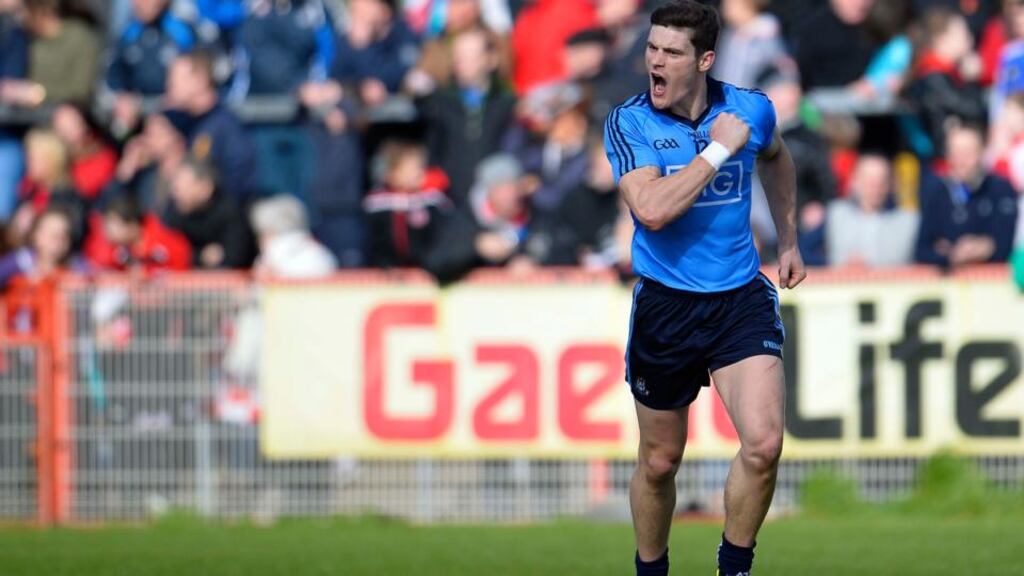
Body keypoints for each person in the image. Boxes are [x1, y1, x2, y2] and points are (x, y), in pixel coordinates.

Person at [602, 3, 806, 575]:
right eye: (651, 49)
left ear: (705, 60)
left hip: (739, 297)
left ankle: (734, 566)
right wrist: (716, 150)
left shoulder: (750, 110)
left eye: (670, 52)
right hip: (666, 305)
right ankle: (651, 568)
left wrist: (788, 238)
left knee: (764, 445)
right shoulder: (631, 121)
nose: (655, 62)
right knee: (661, 460)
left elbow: (776, 156)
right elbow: (651, 210)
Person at [915, 124, 1018, 269]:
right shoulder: (936, 191)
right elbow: (922, 250)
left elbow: (1006, 244)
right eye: (955, 153)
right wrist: (952, 255)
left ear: (982, 153)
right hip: (949, 284)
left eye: (968, 153)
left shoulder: (1000, 189)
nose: (961, 161)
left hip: (992, 284)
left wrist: (985, 248)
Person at [164, 51, 257, 202]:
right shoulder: (178, 122)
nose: (169, 84)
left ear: (200, 80)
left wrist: (206, 197)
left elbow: (240, 181)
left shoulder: (226, 127)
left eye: (175, 78)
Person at [825, 153, 919, 267]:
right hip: (843, 282)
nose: (875, 186)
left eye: (881, 180)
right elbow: (804, 252)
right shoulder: (836, 214)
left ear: (890, 184)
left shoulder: (908, 220)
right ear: (854, 182)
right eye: (868, 180)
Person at [83, 193, 192, 273]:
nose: (108, 230)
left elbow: (180, 267)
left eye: (114, 224)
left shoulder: (164, 242)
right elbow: (99, 265)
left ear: (132, 225)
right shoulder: (115, 247)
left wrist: (148, 272)